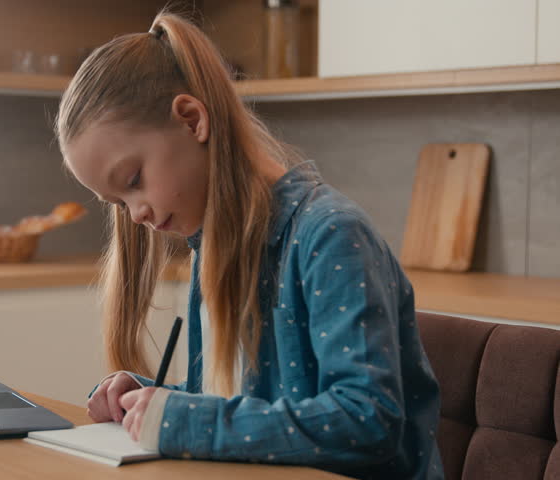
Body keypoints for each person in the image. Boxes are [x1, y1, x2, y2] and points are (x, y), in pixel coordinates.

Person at [55, 9, 443, 480]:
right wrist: (151, 402)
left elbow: (366, 421)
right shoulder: (212, 247)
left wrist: (186, 420)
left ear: (191, 120)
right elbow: (246, 406)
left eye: (133, 180)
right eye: (118, 203)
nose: (135, 214)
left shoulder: (331, 235)